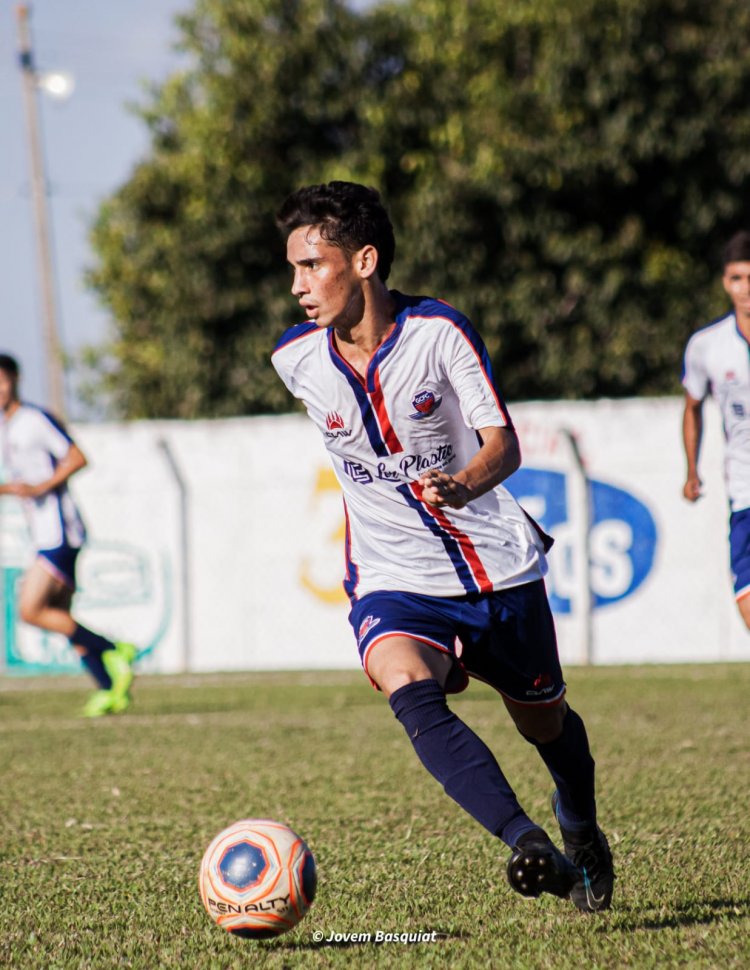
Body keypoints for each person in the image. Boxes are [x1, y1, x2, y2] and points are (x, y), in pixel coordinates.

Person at [271, 181, 614, 913]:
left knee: (545, 722)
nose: (298, 286)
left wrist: (462, 484)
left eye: (312, 265)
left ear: (364, 260)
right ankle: (527, 843)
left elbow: (504, 445)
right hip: (393, 577)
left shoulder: (439, 334)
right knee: (408, 688)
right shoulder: (295, 358)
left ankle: (578, 826)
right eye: (293, 269)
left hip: (496, 569)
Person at [0, 354, 136, 716]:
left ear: (15, 380)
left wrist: (43, 486)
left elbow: (77, 457)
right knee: (60, 615)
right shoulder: (5, 428)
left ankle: (113, 648)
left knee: (30, 610)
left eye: (2, 381)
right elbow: (22, 483)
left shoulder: (34, 419)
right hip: (42, 533)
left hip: (60, 532)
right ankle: (111, 690)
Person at [682, 231, 750, 630]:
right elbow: (692, 407)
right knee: (745, 597)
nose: (745, 288)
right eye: (737, 278)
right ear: (725, 282)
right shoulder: (707, 345)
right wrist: (691, 469)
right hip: (745, 491)